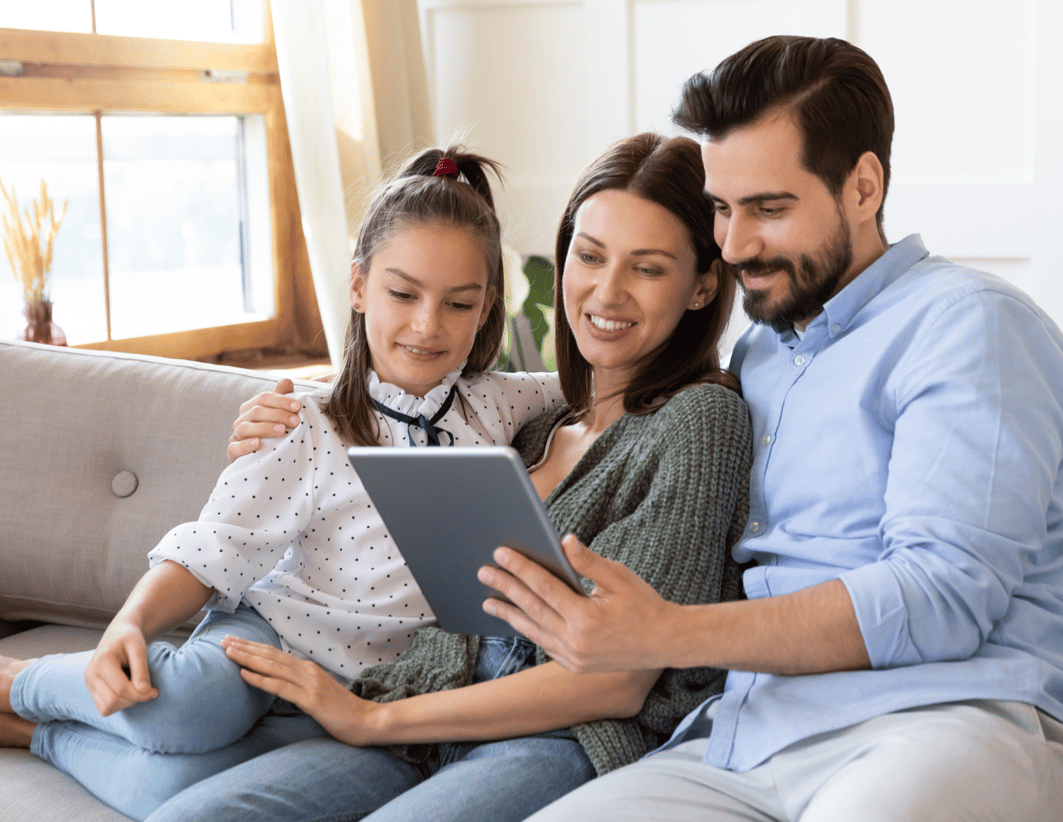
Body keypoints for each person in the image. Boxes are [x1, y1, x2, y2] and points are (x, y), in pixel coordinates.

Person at [478, 35, 1063, 821]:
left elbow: (939, 597)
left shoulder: (966, 326)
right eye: (721, 208)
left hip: (938, 720)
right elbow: (611, 394)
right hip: (741, 737)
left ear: (863, 185)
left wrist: (665, 633)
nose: (733, 244)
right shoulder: (760, 352)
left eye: (769, 209)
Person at [141, 132, 753, 822]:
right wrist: (300, 403)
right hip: (424, 706)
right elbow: (406, 390)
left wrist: (368, 723)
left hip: (553, 738)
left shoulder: (700, 422)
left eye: (647, 269)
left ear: (702, 284)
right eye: (588, 255)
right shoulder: (527, 425)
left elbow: (618, 681)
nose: (604, 292)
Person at [0, 146, 567, 820]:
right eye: (402, 292)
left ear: (486, 309)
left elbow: (607, 386)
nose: (426, 324)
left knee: (168, 792)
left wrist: (705, 372)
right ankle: (19, 684)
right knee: (185, 709)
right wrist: (130, 622)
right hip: (266, 640)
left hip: (357, 691)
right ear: (357, 286)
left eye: (458, 303)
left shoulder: (501, 403)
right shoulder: (303, 419)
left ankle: (37, 736)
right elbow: (213, 548)